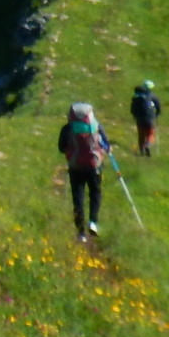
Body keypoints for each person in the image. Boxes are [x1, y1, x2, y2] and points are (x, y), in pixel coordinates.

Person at [58, 100, 109, 240]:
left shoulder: (67, 129)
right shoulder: (97, 126)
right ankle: (93, 221)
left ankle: (80, 233)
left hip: (75, 167)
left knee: (78, 197)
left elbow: (61, 148)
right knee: (95, 192)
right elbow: (106, 145)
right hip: (94, 166)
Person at [130, 80, 162, 157]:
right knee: (150, 134)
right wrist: (157, 114)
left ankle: (141, 151)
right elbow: (158, 107)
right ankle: (148, 145)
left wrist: (135, 116)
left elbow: (133, 110)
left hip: (140, 119)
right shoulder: (153, 97)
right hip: (150, 119)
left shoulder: (136, 98)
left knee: (141, 135)